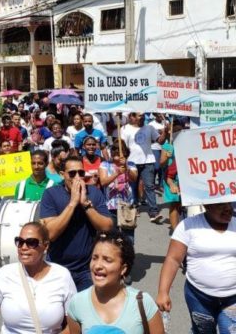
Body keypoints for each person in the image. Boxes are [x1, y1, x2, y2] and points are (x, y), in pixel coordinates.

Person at [0, 222, 77, 333]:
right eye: (20, 242)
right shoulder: (5, 274)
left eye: (31, 242)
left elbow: (74, 326)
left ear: (46, 246)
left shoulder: (62, 276)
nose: (23, 247)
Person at [156, 202, 236, 333]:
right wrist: (163, 292)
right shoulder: (188, 226)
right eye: (221, 205)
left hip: (233, 299)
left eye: (229, 203)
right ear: (207, 206)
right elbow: (173, 260)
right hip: (199, 298)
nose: (228, 208)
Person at [67, 231, 164, 333]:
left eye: (107, 260)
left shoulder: (143, 303)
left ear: (123, 269)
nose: (97, 266)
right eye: (94, 258)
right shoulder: (77, 303)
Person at [40, 155, 113, 291]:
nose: (77, 177)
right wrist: (73, 203)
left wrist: (86, 205)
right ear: (62, 175)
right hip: (57, 267)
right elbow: (50, 234)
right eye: (72, 173)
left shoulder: (94, 193)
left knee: (86, 309)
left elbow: (107, 227)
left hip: (86, 268)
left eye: (81, 172)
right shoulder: (51, 194)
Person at [121, 112, 168, 223]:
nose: (141, 117)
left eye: (142, 115)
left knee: (149, 186)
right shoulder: (125, 129)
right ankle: (135, 207)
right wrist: (123, 159)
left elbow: (160, 141)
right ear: (132, 117)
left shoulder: (150, 128)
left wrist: (165, 132)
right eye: (138, 115)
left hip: (148, 161)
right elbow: (122, 145)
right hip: (132, 162)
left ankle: (154, 212)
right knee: (133, 186)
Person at [99, 140, 138, 246]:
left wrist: (126, 168)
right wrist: (116, 173)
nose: (117, 151)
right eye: (114, 149)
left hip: (127, 204)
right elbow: (103, 182)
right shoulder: (105, 164)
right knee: (112, 237)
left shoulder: (131, 164)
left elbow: (134, 178)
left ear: (125, 152)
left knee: (128, 237)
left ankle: (127, 258)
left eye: (120, 149)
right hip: (110, 205)